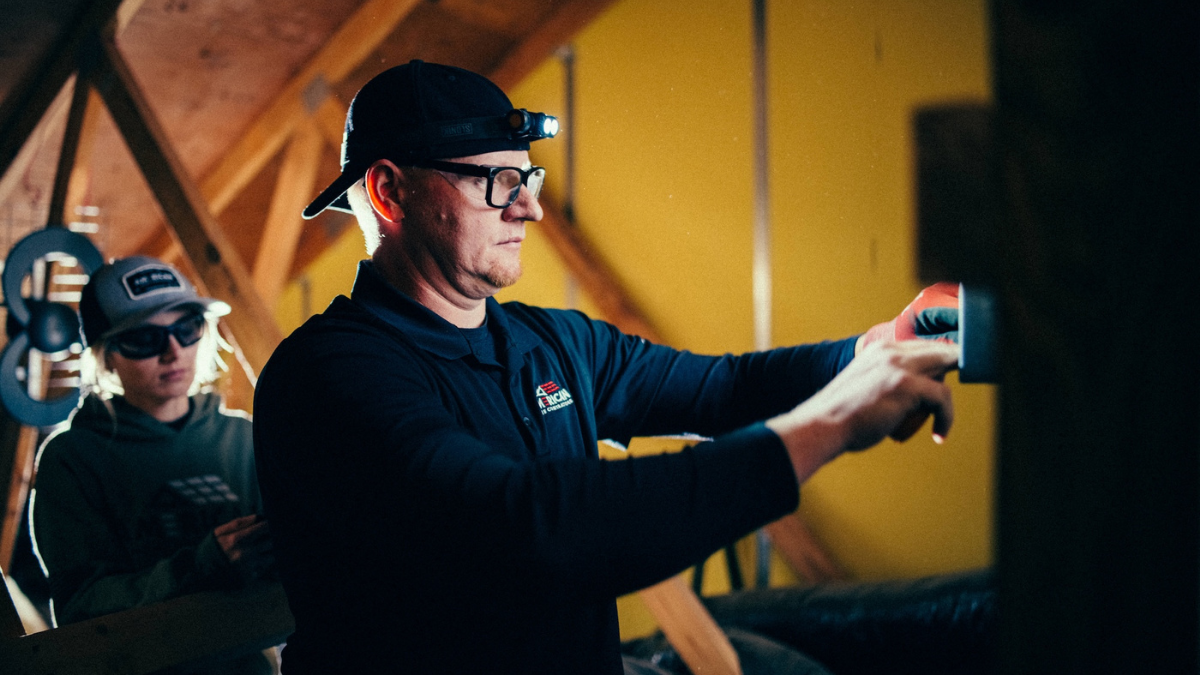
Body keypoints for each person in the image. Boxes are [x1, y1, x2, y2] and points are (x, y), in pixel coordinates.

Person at [253, 59, 961, 675]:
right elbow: (526, 529)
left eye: (524, 174)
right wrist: (833, 421)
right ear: (389, 191)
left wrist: (872, 349)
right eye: (498, 180)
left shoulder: (555, 344)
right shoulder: (326, 375)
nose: (528, 206)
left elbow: (725, 387)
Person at [30, 256, 275, 675]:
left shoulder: (245, 437)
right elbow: (80, 610)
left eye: (187, 329)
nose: (173, 352)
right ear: (106, 356)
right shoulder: (71, 460)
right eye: (144, 339)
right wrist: (199, 565)